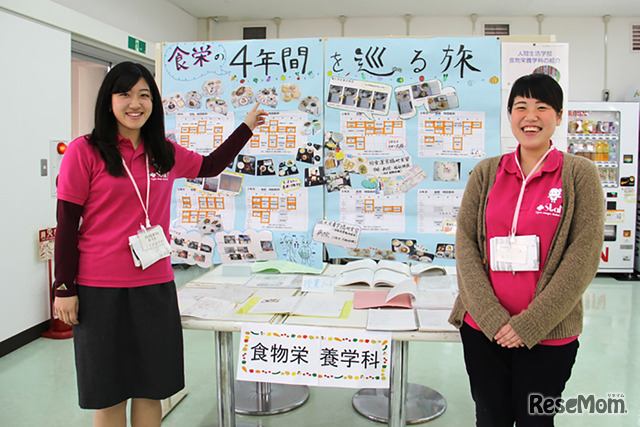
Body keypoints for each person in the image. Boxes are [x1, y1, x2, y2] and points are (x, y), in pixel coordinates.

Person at [53, 61, 267, 426]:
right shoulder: (84, 151)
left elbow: (211, 165)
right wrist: (63, 287)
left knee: (152, 390)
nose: (135, 103)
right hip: (99, 288)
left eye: (144, 95)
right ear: (109, 101)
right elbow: (66, 223)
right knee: (109, 395)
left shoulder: (163, 152)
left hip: (154, 285)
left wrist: (246, 127)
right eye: (125, 94)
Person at [449, 73, 604, 426]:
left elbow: (583, 256)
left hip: (549, 335)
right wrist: (490, 318)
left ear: (559, 116)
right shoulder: (486, 172)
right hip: (484, 330)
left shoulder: (580, 174)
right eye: (521, 107)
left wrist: (530, 325)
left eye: (542, 107)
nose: (530, 116)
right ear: (510, 114)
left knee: (536, 420)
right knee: (490, 418)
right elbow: (466, 245)